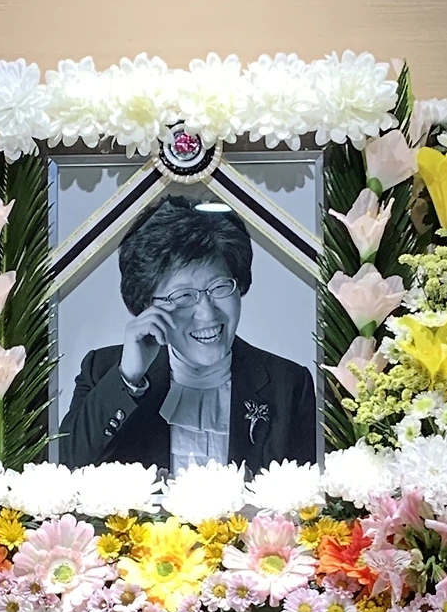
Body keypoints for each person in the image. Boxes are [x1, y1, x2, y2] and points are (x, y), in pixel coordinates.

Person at [59, 196, 317, 476]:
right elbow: (65, 469)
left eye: (219, 287)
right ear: (149, 306)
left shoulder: (288, 385)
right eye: (183, 296)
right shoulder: (102, 370)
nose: (207, 313)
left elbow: (307, 495)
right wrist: (129, 379)